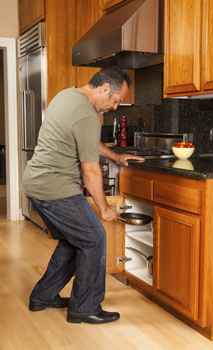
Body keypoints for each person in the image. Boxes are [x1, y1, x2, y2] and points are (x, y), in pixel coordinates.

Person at [20, 66, 144, 325]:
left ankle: (43, 296)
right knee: (93, 238)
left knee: (74, 240)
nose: (115, 107)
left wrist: (115, 155)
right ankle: (85, 308)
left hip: (37, 182)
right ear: (105, 88)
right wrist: (104, 208)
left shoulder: (67, 95)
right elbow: (90, 172)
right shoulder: (87, 114)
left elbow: (86, 140)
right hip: (55, 188)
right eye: (116, 100)